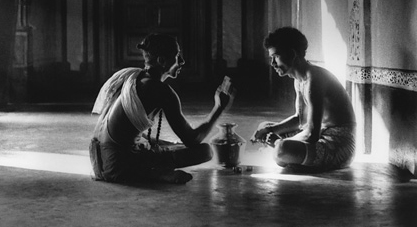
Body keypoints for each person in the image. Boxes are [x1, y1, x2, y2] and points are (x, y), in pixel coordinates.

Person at [90, 33, 236, 184]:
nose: (182, 61)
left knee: (170, 145)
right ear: (162, 61)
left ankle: (152, 170)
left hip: (99, 158)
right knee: (205, 151)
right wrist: (219, 107)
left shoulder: (134, 77)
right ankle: (155, 174)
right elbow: (193, 140)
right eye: (177, 56)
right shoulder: (161, 91)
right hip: (118, 167)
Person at [251, 27, 356, 171]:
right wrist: (269, 129)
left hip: (339, 143)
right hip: (320, 134)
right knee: (264, 127)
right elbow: (300, 119)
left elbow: (312, 134)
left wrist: (279, 142)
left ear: (293, 54)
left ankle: (285, 154)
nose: (272, 63)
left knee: (282, 149)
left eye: (275, 56)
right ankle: (289, 155)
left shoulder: (315, 79)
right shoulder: (299, 80)